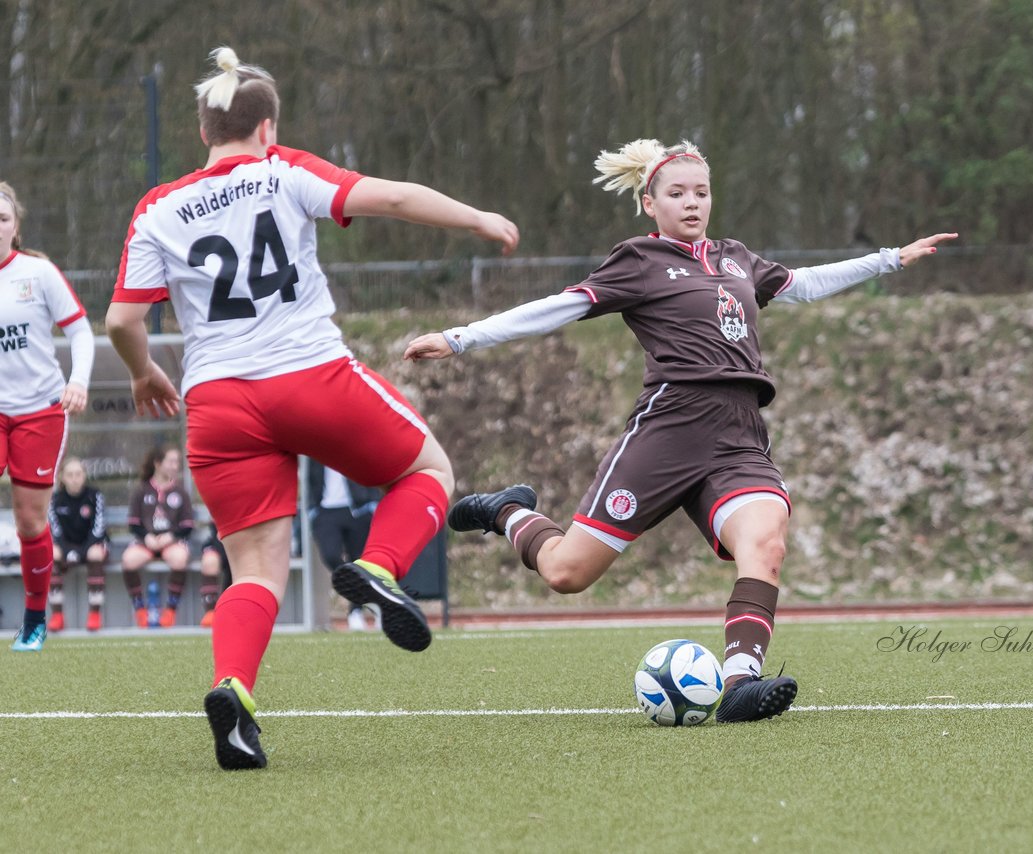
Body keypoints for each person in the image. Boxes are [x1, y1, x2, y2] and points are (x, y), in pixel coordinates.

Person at [405, 138, 956, 723]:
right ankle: (507, 511)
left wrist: (889, 259)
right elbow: (557, 307)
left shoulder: (738, 258)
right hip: (670, 429)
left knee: (765, 542)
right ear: (650, 203)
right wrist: (462, 337)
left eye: (701, 192)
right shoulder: (638, 260)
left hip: (739, 432)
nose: (692, 203)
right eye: (677, 193)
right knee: (567, 573)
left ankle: (742, 683)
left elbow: (804, 284)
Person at [106, 46, 518, 770]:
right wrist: (479, 218)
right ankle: (382, 569)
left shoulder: (158, 208)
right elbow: (389, 197)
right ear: (269, 127)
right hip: (308, 378)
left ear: (203, 131)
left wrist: (144, 375)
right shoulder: (283, 170)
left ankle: (234, 690)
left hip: (218, 404)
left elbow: (121, 320)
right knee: (428, 469)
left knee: (256, 569)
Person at [0, 180, 95, 652]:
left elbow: (81, 332)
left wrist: (77, 380)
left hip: (39, 409)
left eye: (2, 218)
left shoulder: (38, 274)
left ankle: (35, 619)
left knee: (30, 521)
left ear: (14, 226)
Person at [120, 445, 195, 628]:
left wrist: (171, 536)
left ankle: (170, 610)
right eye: (170, 461)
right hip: (147, 543)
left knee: (179, 559)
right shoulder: (141, 491)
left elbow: (187, 525)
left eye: (177, 462)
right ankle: (140, 610)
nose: (174, 466)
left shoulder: (181, 492)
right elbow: (134, 524)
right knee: (128, 560)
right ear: (158, 463)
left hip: (171, 543)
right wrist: (147, 537)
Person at [307, 459, 382, 631]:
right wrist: (313, 510)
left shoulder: (353, 439)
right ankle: (369, 597)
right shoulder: (315, 444)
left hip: (358, 508)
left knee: (360, 562)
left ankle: (355, 611)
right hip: (325, 511)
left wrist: (373, 502)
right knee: (331, 555)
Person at [48, 456, 109, 632]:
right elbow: (56, 532)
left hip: (92, 544)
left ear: (84, 476)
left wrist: (81, 552)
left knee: (95, 554)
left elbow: (98, 529)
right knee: (52, 554)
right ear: (62, 477)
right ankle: (57, 615)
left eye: (78, 474)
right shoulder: (54, 499)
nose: (75, 478)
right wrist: (68, 552)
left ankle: (95, 614)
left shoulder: (95, 495)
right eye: (70, 474)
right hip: (67, 545)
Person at [197, 522, 229, 628]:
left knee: (241, 564)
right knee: (209, 561)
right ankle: (210, 611)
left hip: (246, 541)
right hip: (220, 537)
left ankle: (229, 610)